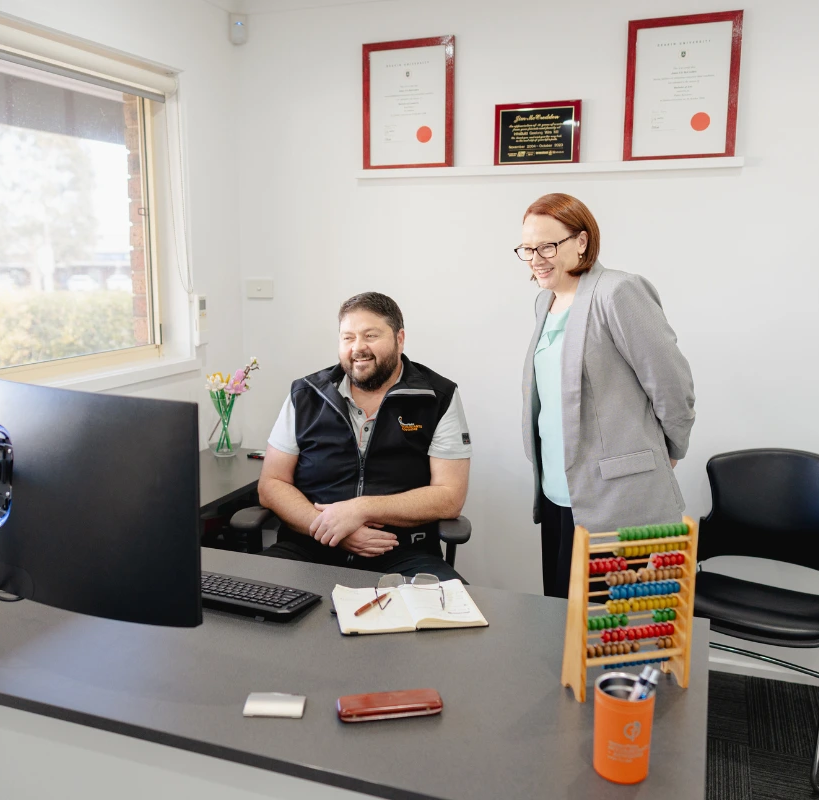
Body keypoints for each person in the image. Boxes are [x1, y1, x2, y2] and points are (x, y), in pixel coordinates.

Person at [519, 193, 695, 598]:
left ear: (581, 241)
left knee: (612, 634)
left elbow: (672, 384)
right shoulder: (544, 302)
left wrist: (670, 450)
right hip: (558, 494)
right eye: (527, 249)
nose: (536, 258)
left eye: (547, 246)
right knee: (561, 623)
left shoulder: (618, 292)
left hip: (618, 496)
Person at [259, 292, 471, 582]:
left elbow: (449, 496)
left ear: (400, 338)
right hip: (308, 548)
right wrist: (332, 528)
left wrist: (359, 509)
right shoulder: (305, 395)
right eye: (348, 338)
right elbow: (271, 484)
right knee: (238, 605)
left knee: (458, 616)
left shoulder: (437, 397)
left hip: (403, 552)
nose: (358, 348)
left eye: (371, 335)